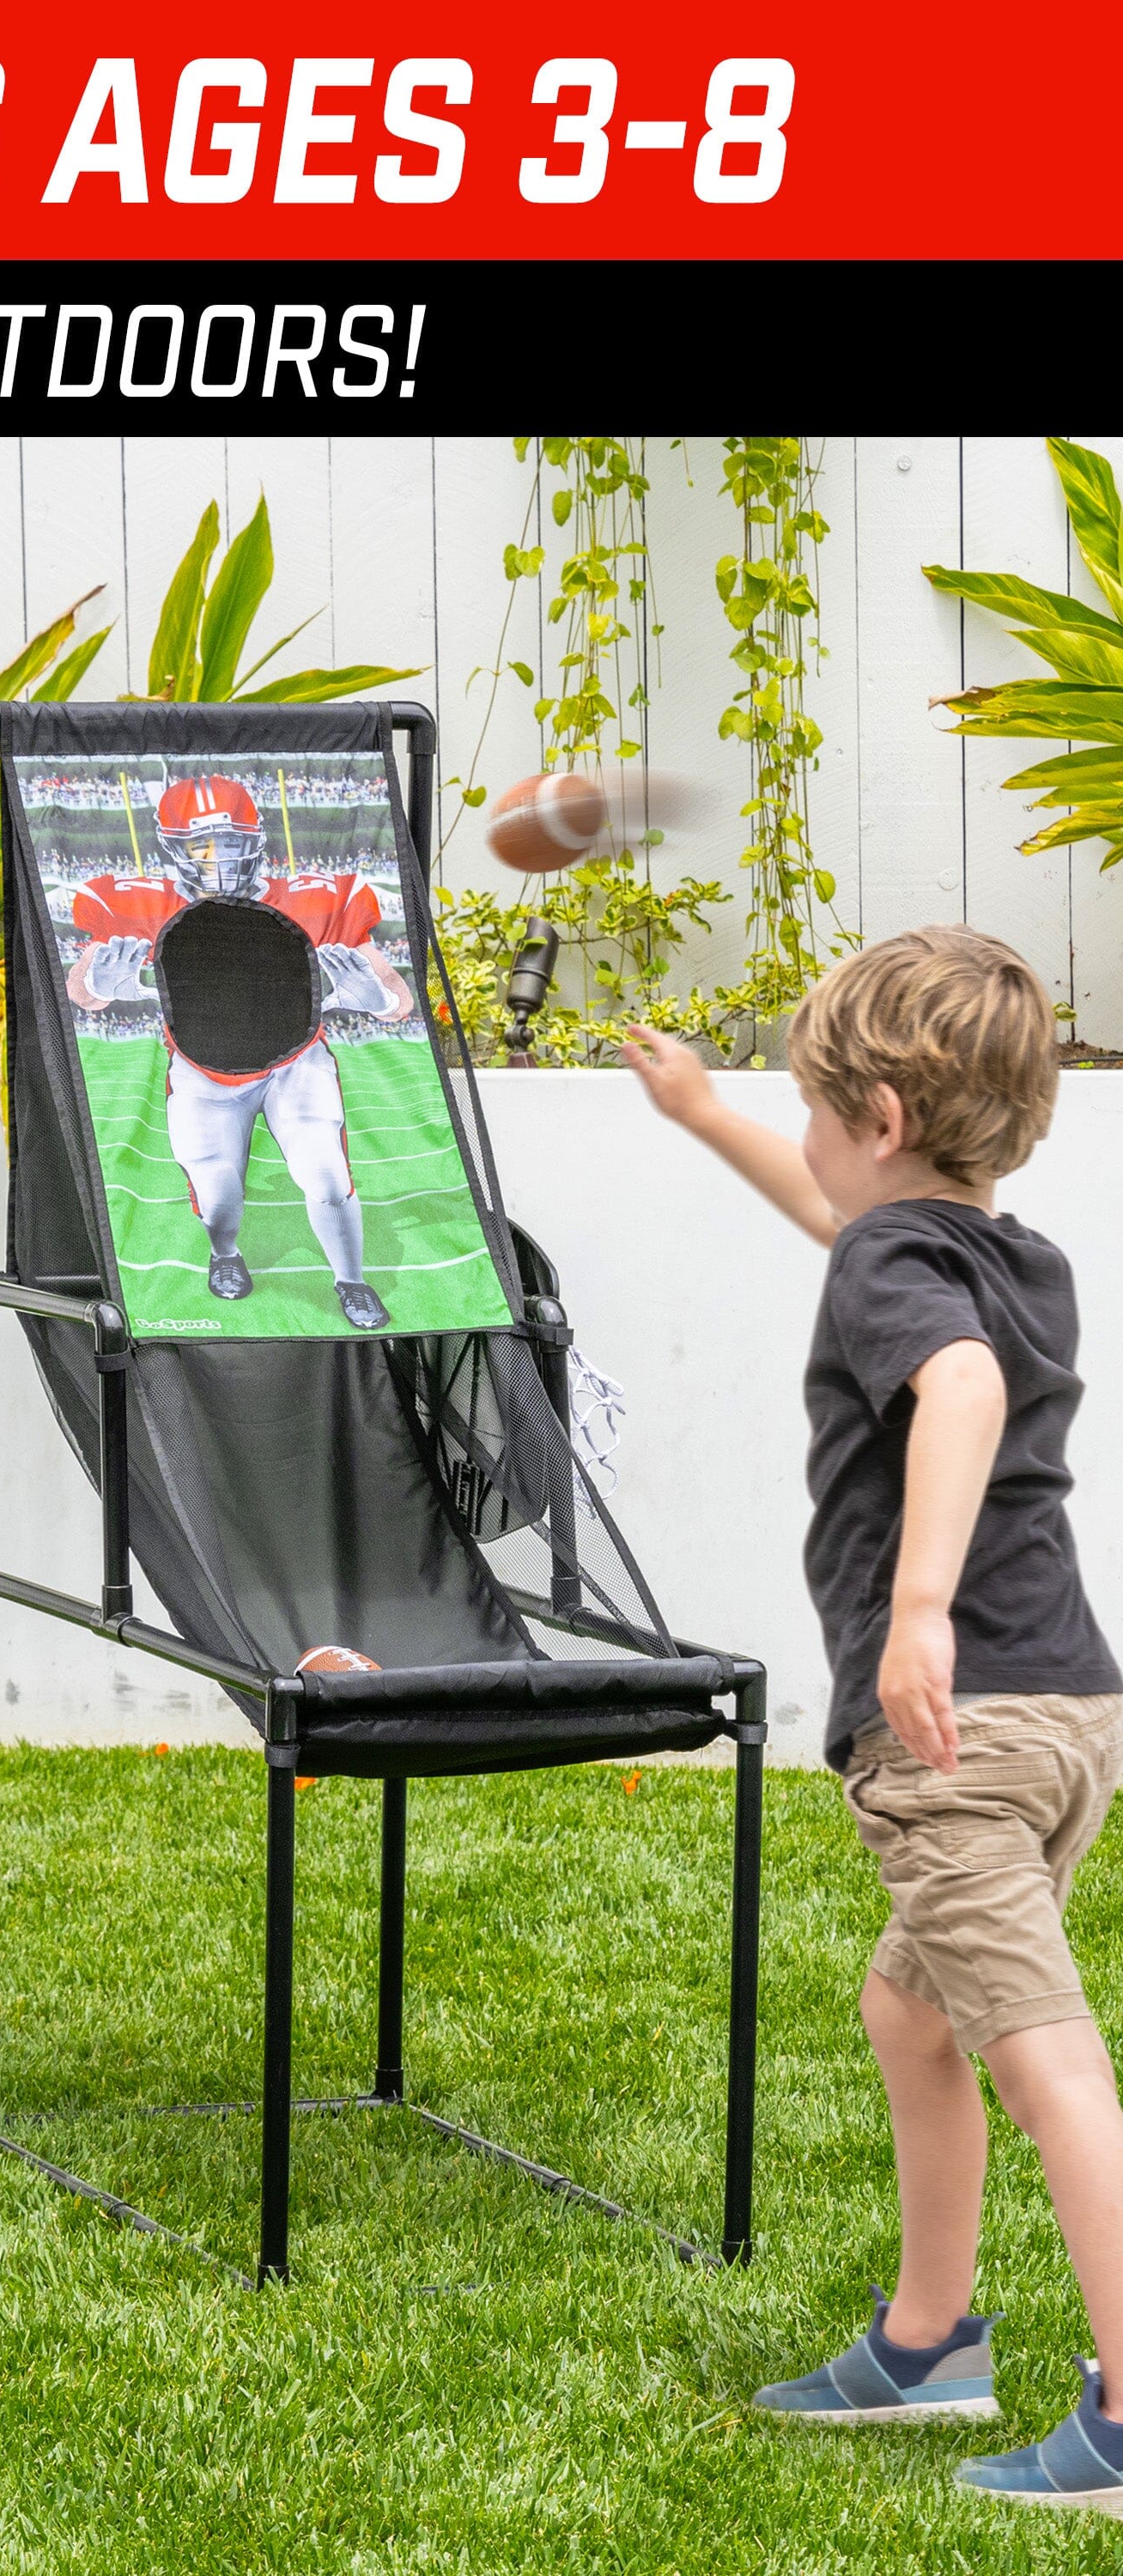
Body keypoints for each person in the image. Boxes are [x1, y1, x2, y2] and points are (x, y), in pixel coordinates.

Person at [624, 925, 1123, 2513]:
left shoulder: (908, 1280)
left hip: (955, 1725)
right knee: (912, 2013)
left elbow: (958, 1392)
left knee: (1049, 2067)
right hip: (1070, 1714)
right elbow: (849, 1227)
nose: (817, 1144)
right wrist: (709, 1116)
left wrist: (916, 1614)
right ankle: (930, 2345)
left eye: (817, 1112)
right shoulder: (1000, 1251)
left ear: (887, 1116)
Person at [64, 769, 411, 1328]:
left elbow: (398, 996)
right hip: (203, 1068)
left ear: (252, 839)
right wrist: (98, 986)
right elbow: (82, 989)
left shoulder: (315, 896)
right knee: (218, 1194)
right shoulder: (134, 903)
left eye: (227, 840)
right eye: (200, 843)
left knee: (326, 1179)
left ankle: (351, 1280)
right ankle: (227, 1255)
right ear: (173, 848)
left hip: (295, 1062)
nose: (215, 856)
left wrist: (377, 999)